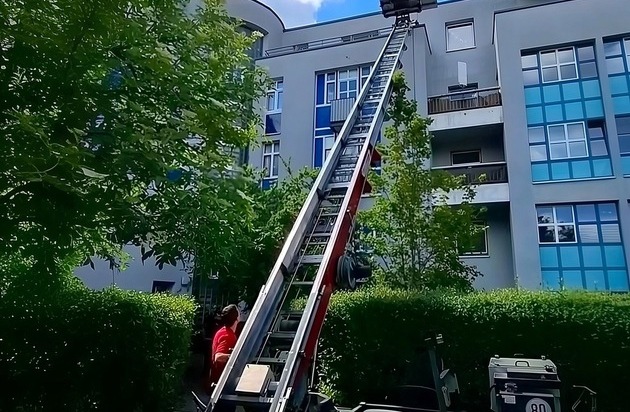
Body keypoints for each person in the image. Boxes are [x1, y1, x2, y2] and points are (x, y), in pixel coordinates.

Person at [206, 304, 240, 394]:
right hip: (221, 385)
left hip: (216, 382)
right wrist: (237, 357)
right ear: (237, 318)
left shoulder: (221, 331)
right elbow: (218, 357)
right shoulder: (228, 336)